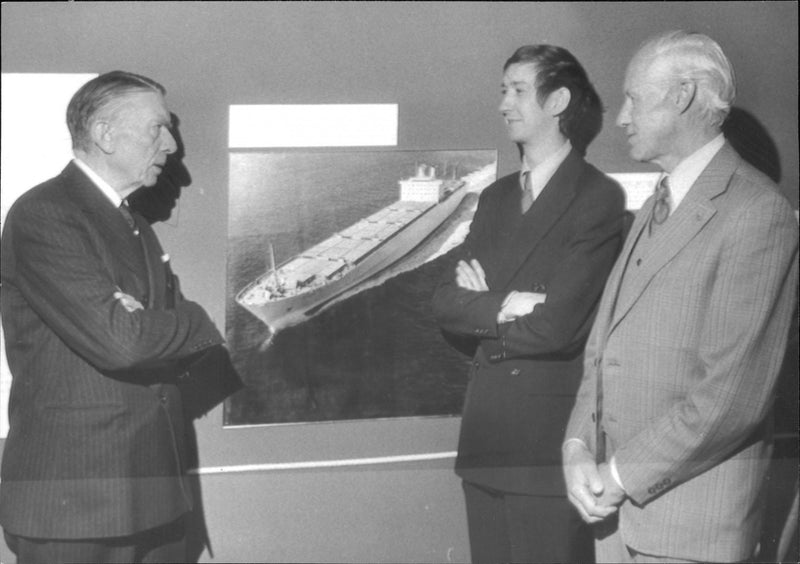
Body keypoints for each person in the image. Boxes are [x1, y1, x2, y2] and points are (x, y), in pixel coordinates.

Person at [563, 31, 799, 563]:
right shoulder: (655, 205)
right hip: (616, 523)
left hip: (688, 536)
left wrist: (618, 476)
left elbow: (731, 398)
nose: (621, 118)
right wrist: (577, 446)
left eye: (633, 99)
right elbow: (605, 347)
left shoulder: (758, 213)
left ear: (684, 95)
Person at [0, 71, 238, 563]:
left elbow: (141, 338)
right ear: (106, 135)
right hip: (76, 508)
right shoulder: (43, 214)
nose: (171, 146)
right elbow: (124, 343)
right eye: (158, 129)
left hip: (151, 495)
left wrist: (142, 324)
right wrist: (191, 320)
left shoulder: (135, 227)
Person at [432, 45, 627, 563]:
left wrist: (482, 307)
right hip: (484, 442)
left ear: (558, 99)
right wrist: (513, 302)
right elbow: (445, 304)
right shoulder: (494, 198)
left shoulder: (597, 197)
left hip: (546, 446)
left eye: (518, 90)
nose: (503, 104)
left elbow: (557, 327)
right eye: (504, 90)